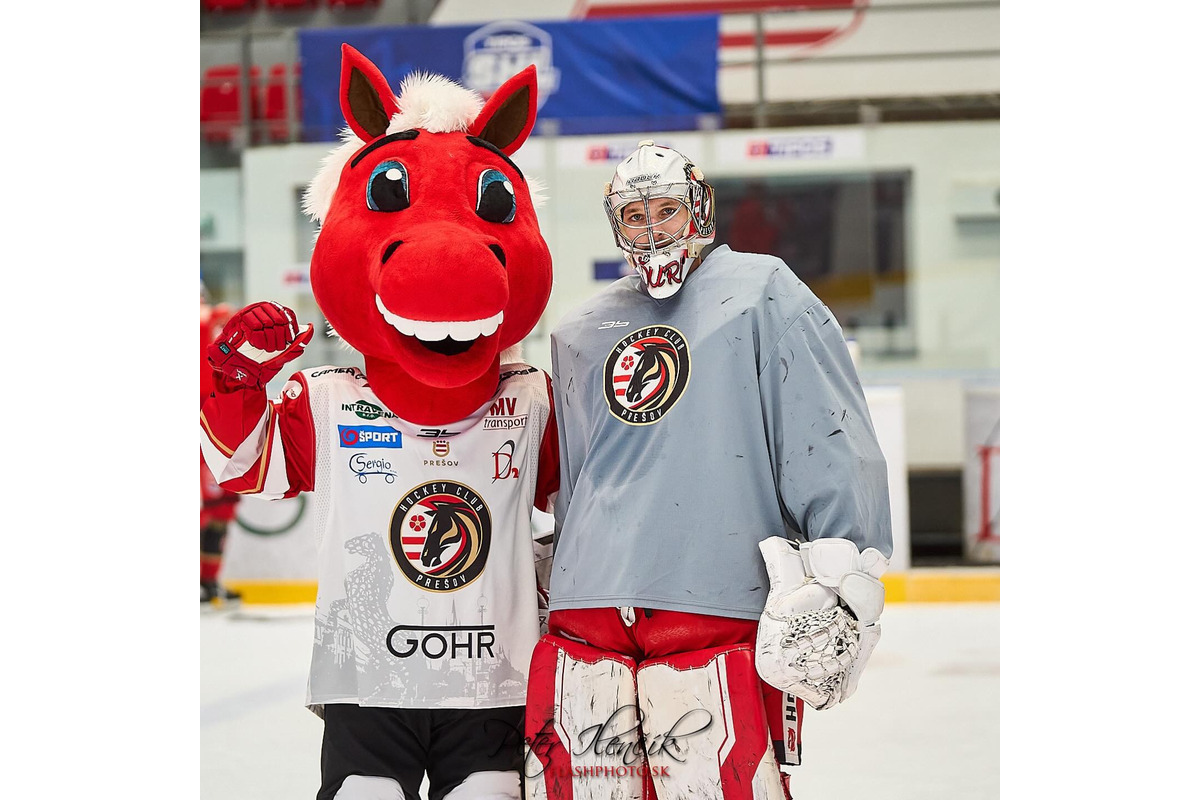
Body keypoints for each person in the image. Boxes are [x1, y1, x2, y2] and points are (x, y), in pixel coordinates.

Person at [201, 47, 556, 800]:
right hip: (367, 680)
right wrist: (230, 381)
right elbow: (241, 468)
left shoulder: (533, 397)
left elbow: (614, 494)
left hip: (494, 685)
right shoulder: (328, 397)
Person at [524, 141, 893, 800]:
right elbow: (575, 479)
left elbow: (823, 430)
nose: (653, 229)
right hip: (590, 611)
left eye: (667, 209)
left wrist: (845, 560)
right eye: (635, 215)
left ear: (700, 207)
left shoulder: (762, 292)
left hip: (714, 598)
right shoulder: (581, 328)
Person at [199, 285, 242, 608]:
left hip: (219, 417)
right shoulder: (211, 318)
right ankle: (205, 581)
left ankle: (209, 581)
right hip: (206, 419)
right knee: (211, 510)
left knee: (221, 509)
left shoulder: (215, 319)